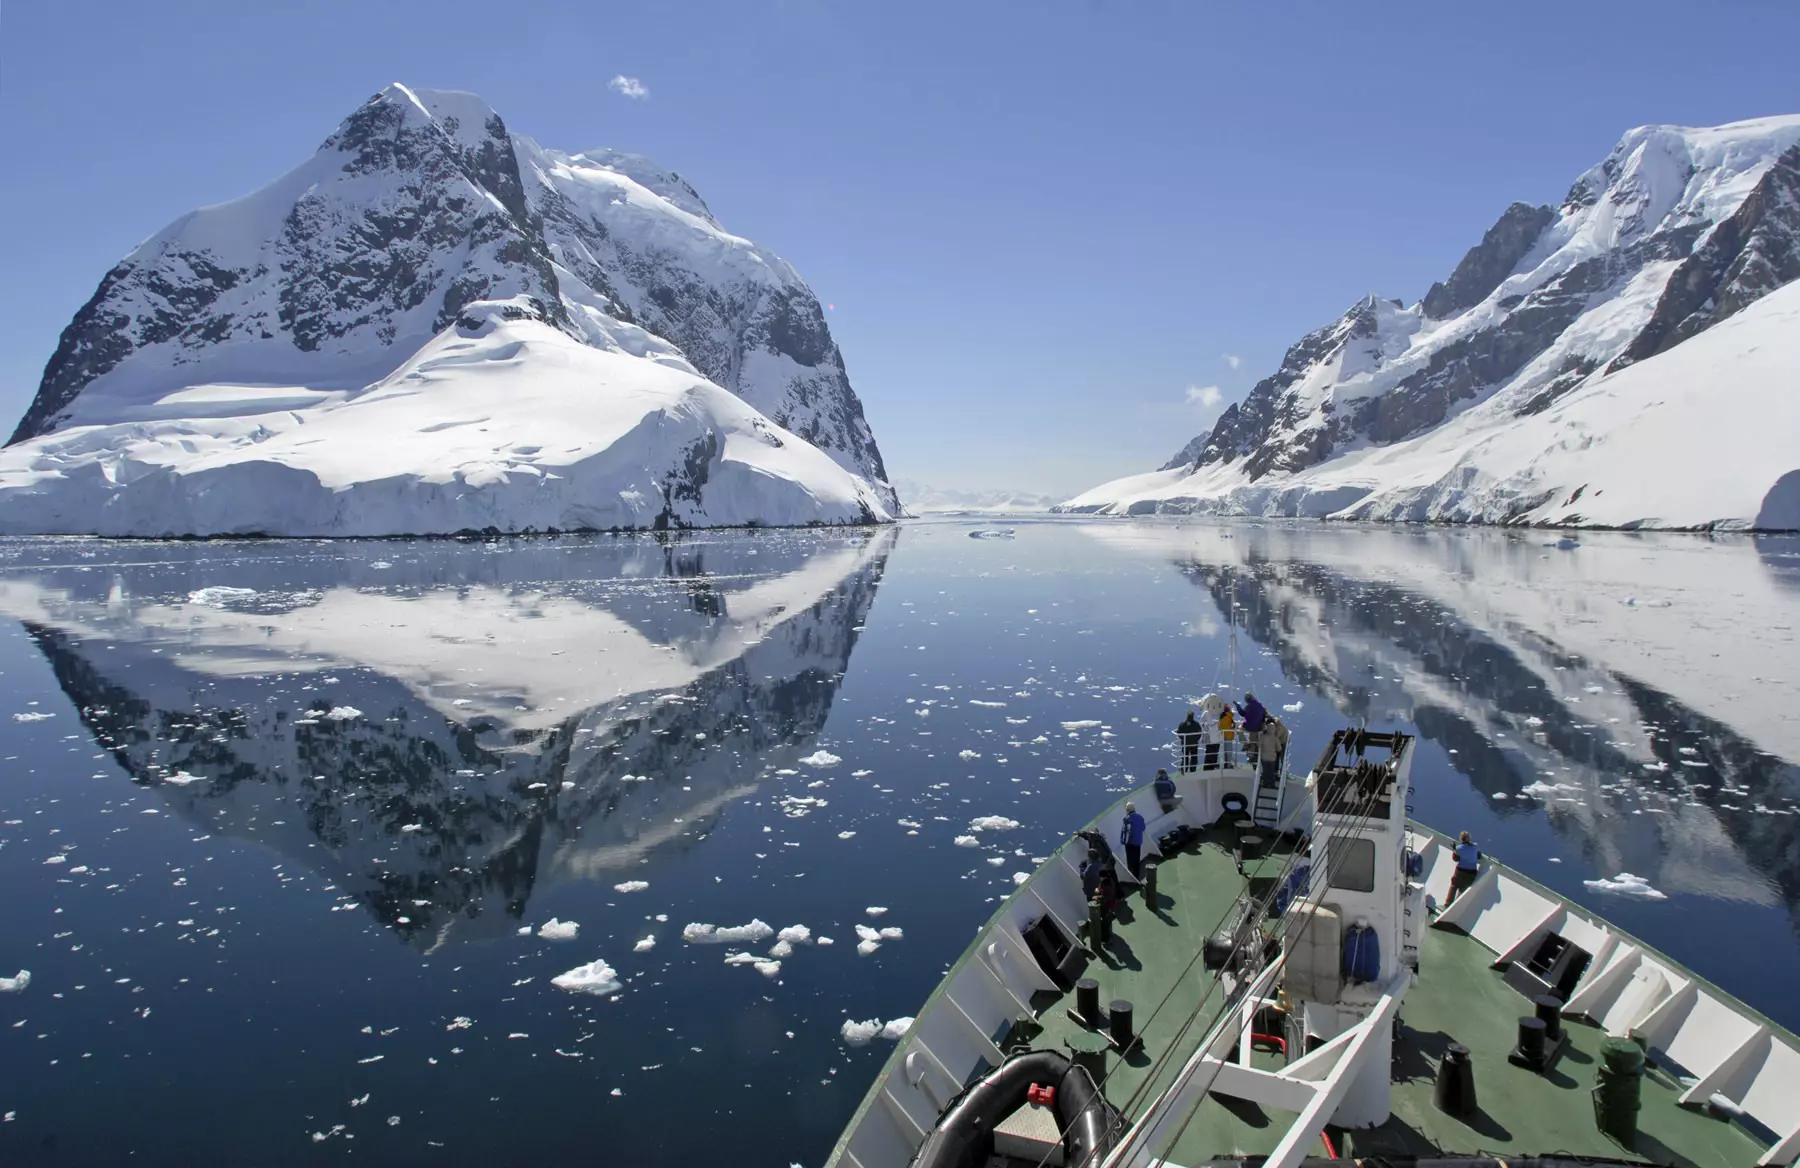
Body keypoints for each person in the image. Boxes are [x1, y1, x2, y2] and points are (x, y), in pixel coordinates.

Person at [1447, 831, 1481, 906]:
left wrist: (1454, 849)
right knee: (1463, 889)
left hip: (1461, 871)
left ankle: (1448, 904)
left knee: (1454, 885)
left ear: (1461, 839)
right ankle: (1456, 906)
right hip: (1472, 873)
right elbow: (1478, 856)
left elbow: (1455, 858)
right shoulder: (1475, 847)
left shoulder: (1459, 848)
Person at [1237, 691, 1268, 766]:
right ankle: (1253, 758)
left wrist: (1238, 707)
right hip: (1258, 727)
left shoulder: (1249, 706)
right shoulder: (1260, 705)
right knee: (1253, 741)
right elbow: (1264, 715)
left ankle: (1245, 743)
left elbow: (1243, 713)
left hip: (1249, 726)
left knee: (1239, 729)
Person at [1257, 717, 1289, 788]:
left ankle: (1265, 783)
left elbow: (1259, 745)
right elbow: (1279, 748)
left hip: (1264, 756)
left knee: (1265, 770)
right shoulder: (1275, 737)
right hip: (1272, 756)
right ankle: (1272, 783)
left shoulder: (1264, 736)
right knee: (1272, 770)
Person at [1120, 801, 1147, 879]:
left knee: (1130, 860)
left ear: (1127, 810)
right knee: (1136, 859)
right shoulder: (1140, 817)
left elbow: (1125, 831)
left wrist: (1122, 841)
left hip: (1130, 843)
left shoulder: (1126, 819)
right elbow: (1143, 828)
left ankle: (1132, 878)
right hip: (1138, 842)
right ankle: (1137, 875)